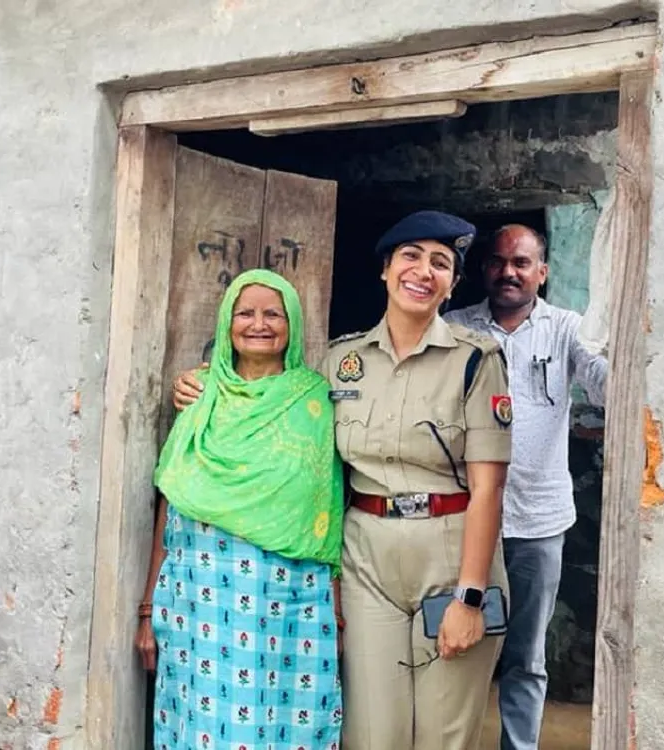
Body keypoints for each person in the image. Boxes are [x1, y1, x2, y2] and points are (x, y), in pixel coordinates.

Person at [173, 210, 515, 750]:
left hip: (451, 553)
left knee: (444, 736)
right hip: (368, 559)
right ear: (385, 270)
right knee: (370, 734)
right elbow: (270, 398)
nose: (423, 271)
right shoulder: (340, 362)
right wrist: (201, 388)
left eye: (441, 263)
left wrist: (470, 598)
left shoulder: (476, 361)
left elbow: (489, 489)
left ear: (452, 285)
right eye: (411, 256)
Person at [136, 269, 345, 750]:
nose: (259, 324)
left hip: (288, 602)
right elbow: (173, 500)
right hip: (198, 596)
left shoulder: (314, 399)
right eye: (245, 312)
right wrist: (149, 608)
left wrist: (336, 612)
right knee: (200, 724)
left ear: (292, 324)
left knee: (285, 725)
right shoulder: (201, 395)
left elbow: (326, 512)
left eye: (273, 313)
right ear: (227, 324)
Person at [444, 224, 608, 750]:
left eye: (521, 262)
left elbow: (609, 387)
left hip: (538, 521)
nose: (508, 272)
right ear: (483, 269)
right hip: (461, 519)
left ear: (543, 271)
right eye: (498, 261)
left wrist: (631, 342)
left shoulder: (566, 330)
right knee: (453, 645)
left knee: (525, 656)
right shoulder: (454, 328)